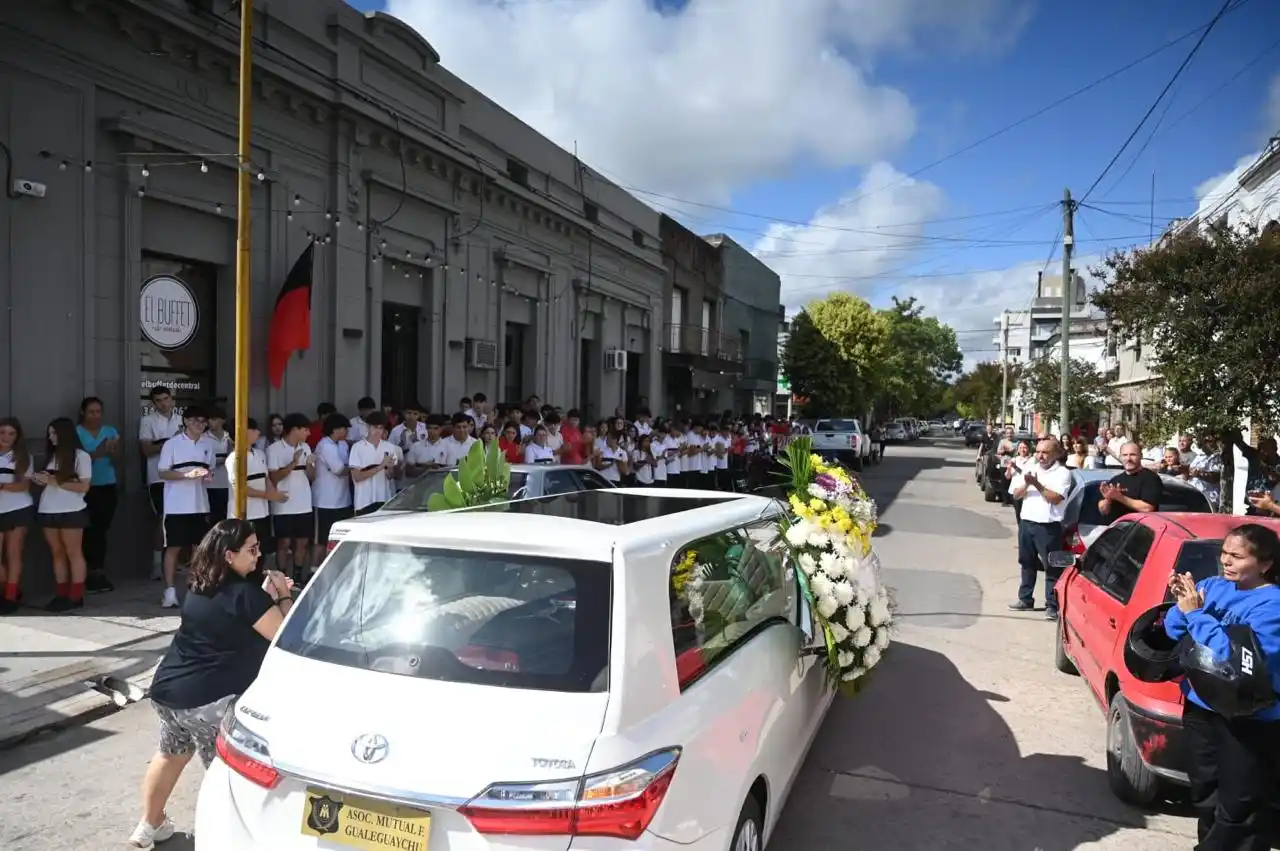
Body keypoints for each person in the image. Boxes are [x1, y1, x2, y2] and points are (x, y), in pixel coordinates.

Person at [128, 520, 293, 849]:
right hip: (207, 701)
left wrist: (265, 598)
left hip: (168, 692)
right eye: (252, 549)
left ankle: (149, 825)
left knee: (171, 754)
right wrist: (284, 596)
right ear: (229, 555)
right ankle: (224, 839)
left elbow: (233, 616)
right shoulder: (247, 596)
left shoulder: (201, 585)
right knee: (225, 776)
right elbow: (285, 638)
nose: (259, 556)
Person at [1165, 523, 1280, 851]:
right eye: (1224, 553)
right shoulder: (1213, 586)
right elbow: (1175, 630)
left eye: (1237, 556)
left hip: (1247, 718)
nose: (1226, 561)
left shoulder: (1272, 604)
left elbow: (1237, 659)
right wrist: (1181, 603)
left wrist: (1198, 615)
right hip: (1203, 708)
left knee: (1239, 808)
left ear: (1265, 564)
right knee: (1206, 795)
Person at [1008, 438, 1072, 620]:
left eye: (1045, 452)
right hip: (1027, 522)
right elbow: (1016, 494)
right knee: (1026, 562)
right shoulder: (1031, 468)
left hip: (1048, 525)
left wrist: (1037, 484)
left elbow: (1055, 498)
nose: (1040, 456)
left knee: (1051, 566)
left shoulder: (1062, 473)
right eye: (1038, 451)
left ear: (1056, 454)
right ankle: (1025, 598)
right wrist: (1027, 483)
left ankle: (1051, 605)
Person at [1098, 441, 1163, 524]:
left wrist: (1119, 497)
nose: (1128, 459)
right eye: (1125, 455)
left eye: (1133, 455)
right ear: (1120, 457)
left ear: (1141, 456)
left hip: (1140, 531)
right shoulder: (1115, 480)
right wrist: (1108, 499)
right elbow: (1103, 511)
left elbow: (1148, 508)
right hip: (1115, 530)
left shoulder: (1151, 478)